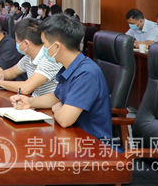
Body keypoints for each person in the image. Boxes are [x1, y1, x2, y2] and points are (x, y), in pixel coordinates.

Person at [10, 15, 114, 147]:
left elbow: (65, 120)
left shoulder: (86, 74)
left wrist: (58, 107)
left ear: (57, 47)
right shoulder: (70, 67)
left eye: (44, 44)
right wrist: (30, 102)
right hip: (72, 138)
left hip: (92, 146)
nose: (43, 49)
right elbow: (56, 97)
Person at [0, 19, 62, 97]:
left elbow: (26, 88)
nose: (16, 44)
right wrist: (1, 76)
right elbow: (12, 72)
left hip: (45, 103)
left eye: (17, 41)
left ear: (26, 43)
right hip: (34, 100)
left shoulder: (49, 59)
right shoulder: (28, 57)